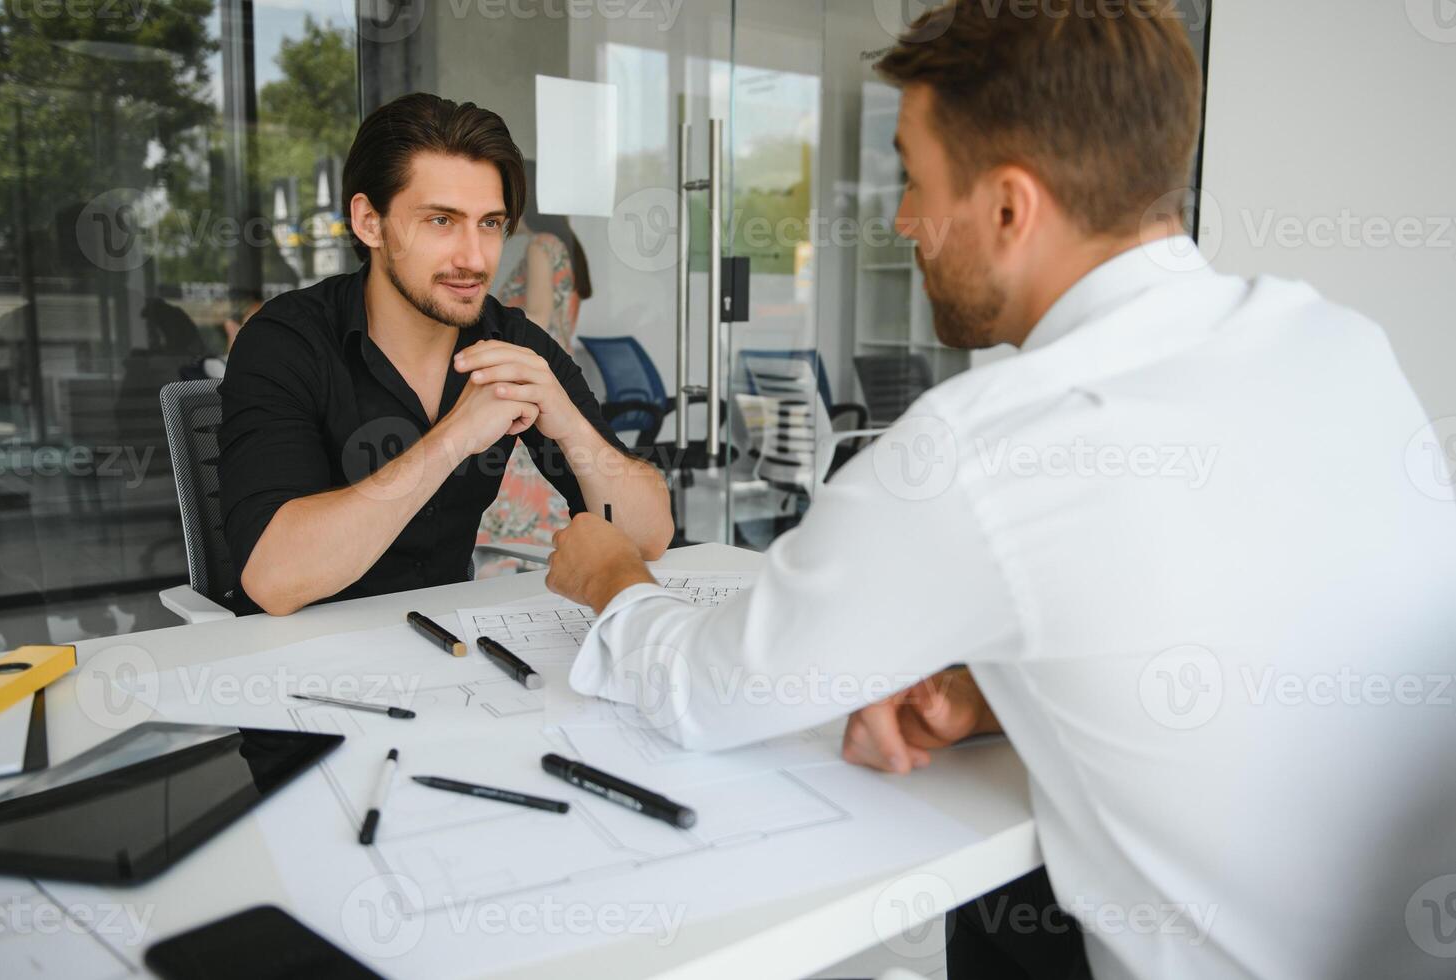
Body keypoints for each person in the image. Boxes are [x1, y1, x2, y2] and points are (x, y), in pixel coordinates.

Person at [540, 2, 1456, 978]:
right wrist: (989, 688)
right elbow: (1277, 621)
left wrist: (612, 578)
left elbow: (702, 691)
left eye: (912, 176)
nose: (900, 220)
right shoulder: (1336, 343)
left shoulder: (989, 443)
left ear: (1011, 208)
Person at [217, 93, 671, 616]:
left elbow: (649, 535)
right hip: (294, 663)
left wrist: (569, 423)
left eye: (489, 224)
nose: (474, 258)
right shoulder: (285, 340)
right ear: (369, 222)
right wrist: (454, 437)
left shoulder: (511, 340)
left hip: (447, 647)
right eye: (440, 221)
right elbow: (274, 579)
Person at [475, 160, 595, 573]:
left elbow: (539, 317)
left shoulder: (541, 245)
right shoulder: (562, 244)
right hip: (553, 373)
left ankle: (516, 560)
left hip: (532, 375)